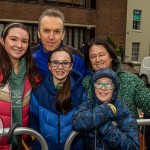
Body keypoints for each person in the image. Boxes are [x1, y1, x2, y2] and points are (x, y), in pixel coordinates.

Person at [83, 38, 150, 148]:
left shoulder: (131, 81)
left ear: (111, 57)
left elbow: (148, 103)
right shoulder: (86, 83)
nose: (97, 59)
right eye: (93, 56)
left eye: (101, 54)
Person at [29, 47, 86, 150]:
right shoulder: (38, 91)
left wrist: (78, 146)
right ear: (49, 66)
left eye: (65, 63)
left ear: (71, 66)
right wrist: (37, 144)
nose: (60, 67)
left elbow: (84, 124)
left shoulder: (80, 91)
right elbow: (33, 120)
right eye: (55, 62)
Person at [72, 68, 139, 149]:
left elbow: (133, 146)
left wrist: (106, 128)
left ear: (115, 88)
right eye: (99, 84)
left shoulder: (121, 107)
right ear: (93, 87)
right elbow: (77, 122)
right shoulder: (88, 104)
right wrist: (105, 110)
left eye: (109, 84)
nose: (103, 88)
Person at [0, 23, 42, 150]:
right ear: (2, 41)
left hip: (22, 143)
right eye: (13, 39)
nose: (19, 45)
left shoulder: (33, 73)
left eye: (24, 41)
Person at [32, 8, 86, 77]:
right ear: (39, 33)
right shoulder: (29, 57)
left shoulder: (77, 59)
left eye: (57, 31)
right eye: (46, 31)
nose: (51, 37)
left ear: (63, 35)